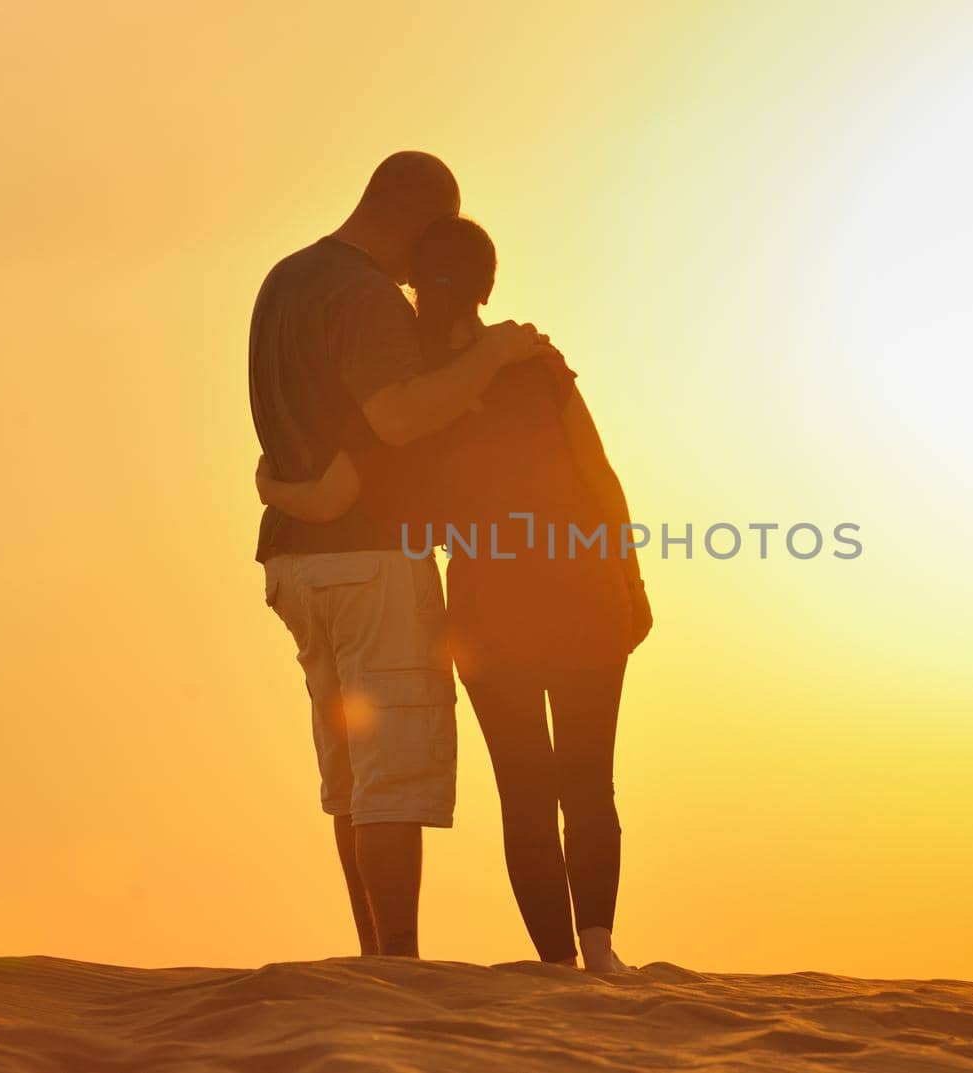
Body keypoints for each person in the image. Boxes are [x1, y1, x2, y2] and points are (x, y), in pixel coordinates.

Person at [257, 216, 652, 972]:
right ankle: (599, 951)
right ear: (489, 283)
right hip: (584, 587)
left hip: (487, 613)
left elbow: (336, 494)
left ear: (410, 287)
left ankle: (559, 965)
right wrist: (630, 579)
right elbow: (601, 478)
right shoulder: (535, 365)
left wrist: (270, 484)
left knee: (527, 792)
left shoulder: (404, 398)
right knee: (588, 782)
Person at [249, 152, 548, 958]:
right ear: (413, 216)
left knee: (349, 777)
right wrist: (493, 355)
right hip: (370, 557)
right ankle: (401, 966)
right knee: (389, 776)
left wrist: (282, 491)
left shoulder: (284, 279)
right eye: (437, 233)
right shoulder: (367, 294)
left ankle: (373, 961)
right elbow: (398, 417)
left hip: (294, 565)